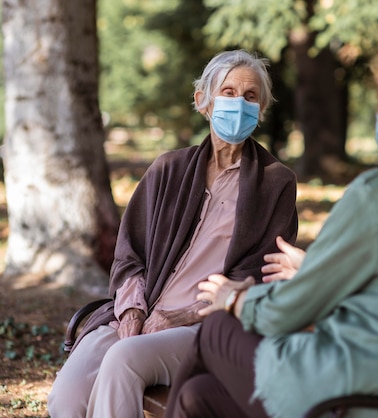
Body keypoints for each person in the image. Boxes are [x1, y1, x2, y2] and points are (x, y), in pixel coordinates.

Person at [164, 39, 378, 418]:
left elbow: (286, 313)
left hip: (352, 396)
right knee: (198, 396)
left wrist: (235, 299)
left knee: (217, 329)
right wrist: (316, 271)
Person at [47, 49, 298, 418]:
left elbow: (258, 275)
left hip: (204, 327)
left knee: (124, 360)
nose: (238, 104)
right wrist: (133, 312)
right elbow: (129, 253)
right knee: (65, 399)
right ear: (203, 101)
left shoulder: (275, 183)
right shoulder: (168, 169)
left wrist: (179, 317)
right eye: (227, 92)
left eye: (250, 96)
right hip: (138, 316)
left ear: (261, 110)